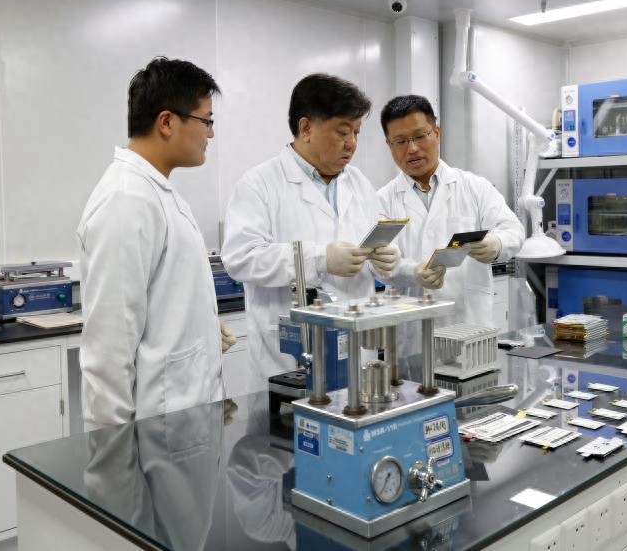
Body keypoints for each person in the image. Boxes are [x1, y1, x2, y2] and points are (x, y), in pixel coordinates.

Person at [78, 57, 235, 429]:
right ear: (167, 122)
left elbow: (160, 297)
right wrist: (112, 452)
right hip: (158, 427)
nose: (211, 134)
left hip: (184, 418)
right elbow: (109, 350)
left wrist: (200, 327)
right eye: (206, 121)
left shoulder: (157, 192)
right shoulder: (126, 200)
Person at [222, 74, 398, 389]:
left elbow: (370, 246)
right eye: (342, 132)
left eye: (356, 133)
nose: (352, 144)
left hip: (356, 352)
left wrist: (384, 259)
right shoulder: (259, 184)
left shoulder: (359, 183)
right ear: (305, 128)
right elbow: (240, 258)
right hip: (287, 360)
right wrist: (319, 259)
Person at [377, 94, 524, 369]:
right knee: (414, 392)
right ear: (389, 145)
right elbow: (379, 262)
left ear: (437, 132)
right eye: (400, 141)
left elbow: (514, 230)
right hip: (412, 340)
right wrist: (412, 271)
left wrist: (496, 244)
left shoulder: (474, 187)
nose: (412, 149)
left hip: (470, 330)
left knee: (474, 393)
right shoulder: (382, 201)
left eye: (420, 136)